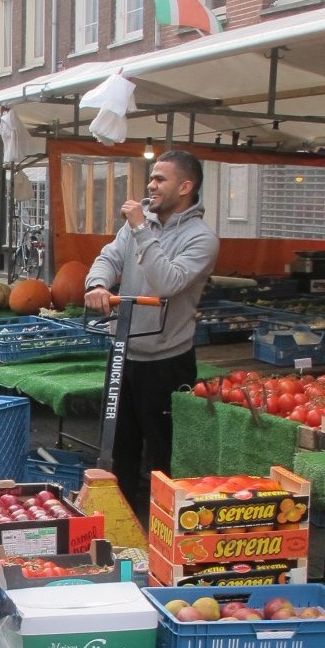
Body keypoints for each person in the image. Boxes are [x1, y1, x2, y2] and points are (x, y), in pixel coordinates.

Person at [83, 149, 220, 506]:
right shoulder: (135, 227)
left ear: (185, 186)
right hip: (124, 353)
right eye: (152, 178)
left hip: (166, 360)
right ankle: (119, 527)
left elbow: (167, 283)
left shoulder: (201, 239)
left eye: (161, 179)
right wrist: (97, 284)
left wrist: (141, 230)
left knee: (163, 453)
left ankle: (164, 530)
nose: (151, 185)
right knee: (117, 447)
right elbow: (109, 256)